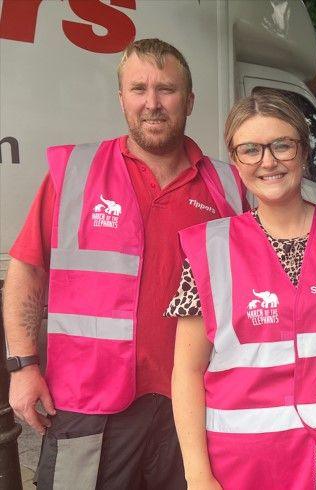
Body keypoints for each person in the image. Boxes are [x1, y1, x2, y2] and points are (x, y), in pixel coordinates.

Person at [3, 38, 247, 489]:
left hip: (194, 402)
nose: (152, 104)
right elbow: (27, 269)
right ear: (121, 98)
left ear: (190, 100)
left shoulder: (230, 187)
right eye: (138, 89)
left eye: (167, 90)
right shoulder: (76, 172)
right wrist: (23, 366)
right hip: (86, 400)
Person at [170, 89, 316, 490]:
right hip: (241, 467)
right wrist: (197, 475)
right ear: (236, 161)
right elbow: (187, 371)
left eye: (281, 145)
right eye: (250, 150)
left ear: (303, 151)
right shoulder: (210, 249)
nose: (268, 161)